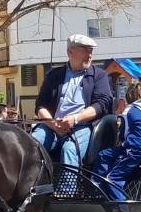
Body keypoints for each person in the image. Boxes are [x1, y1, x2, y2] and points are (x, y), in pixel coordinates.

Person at [32, 34, 112, 167]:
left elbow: (102, 104)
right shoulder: (53, 75)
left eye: (91, 51)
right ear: (70, 51)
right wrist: (53, 124)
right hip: (52, 126)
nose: (90, 55)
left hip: (82, 126)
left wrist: (75, 119)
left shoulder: (99, 75)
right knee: (32, 143)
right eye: (86, 50)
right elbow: (40, 106)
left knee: (69, 150)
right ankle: (33, 186)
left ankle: (68, 188)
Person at [94, 83, 141, 200]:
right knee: (104, 155)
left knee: (113, 179)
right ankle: (98, 189)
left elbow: (123, 134)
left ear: (129, 96)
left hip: (133, 149)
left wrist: (122, 141)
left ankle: (122, 210)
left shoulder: (129, 110)